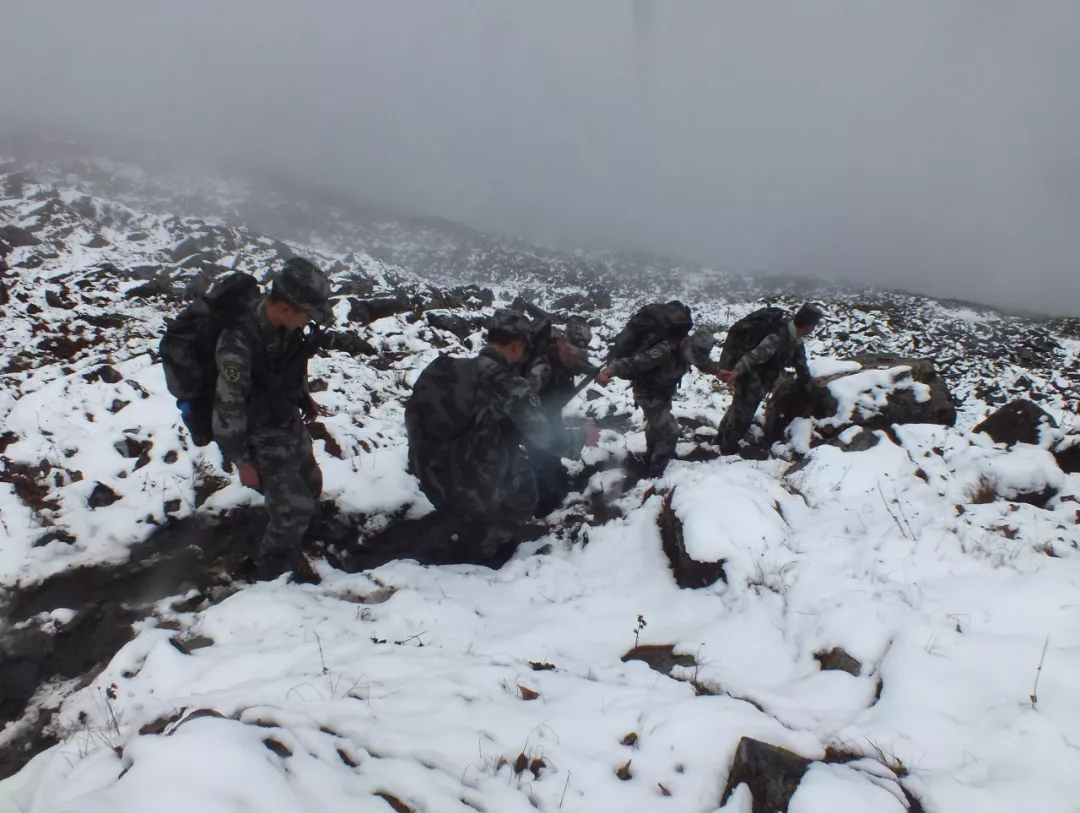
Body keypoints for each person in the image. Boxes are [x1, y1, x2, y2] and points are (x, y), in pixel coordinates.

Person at [406, 309, 600, 559]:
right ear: (517, 344)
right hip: (466, 488)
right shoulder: (512, 387)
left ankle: (463, 517)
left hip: (429, 476)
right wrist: (582, 437)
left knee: (498, 452)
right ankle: (484, 547)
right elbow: (545, 439)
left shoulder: (447, 368)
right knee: (525, 484)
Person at [213, 257, 333, 583]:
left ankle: (301, 532)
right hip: (257, 433)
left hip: (284, 419)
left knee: (311, 484)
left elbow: (288, 366)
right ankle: (269, 565)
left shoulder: (286, 328)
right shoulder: (237, 344)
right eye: (307, 315)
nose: (309, 322)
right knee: (293, 508)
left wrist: (303, 396)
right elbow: (228, 408)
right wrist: (242, 461)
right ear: (285, 310)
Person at [595, 304, 718, 476]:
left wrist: (720, 371)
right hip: (647, 393)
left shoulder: (693, 351)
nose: (695, 359)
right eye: (695, 354)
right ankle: (656, 472)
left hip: (664, 392)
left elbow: (704, 363)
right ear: (688, 343)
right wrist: (609, 371)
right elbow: (635, 363)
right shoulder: (663, 350)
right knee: (671, 431)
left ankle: (651, 456)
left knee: (656, 427)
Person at [715, 303, 824, 457]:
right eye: (813, 325)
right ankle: (727, 450)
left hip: (761, 382)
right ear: (807, 326)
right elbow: (753, 356)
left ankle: (720, 440)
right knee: (742, 416)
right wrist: (736, 372)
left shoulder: (795, 339)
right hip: (751, 380)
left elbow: (800, 363)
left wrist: (809, 380)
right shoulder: (777, 338)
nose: (813, 329)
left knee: (738, 410)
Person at [523, 317, 596, 515]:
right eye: (571, 353)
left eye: (579, 354)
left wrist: (596, 372)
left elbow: (579, 363)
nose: (574, 359)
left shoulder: (571, 358)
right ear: (561, 342)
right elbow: (525, 409)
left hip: (549, 413)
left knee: (554, 466)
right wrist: (579, 436)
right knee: (542, 466)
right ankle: (538, 509)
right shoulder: (541, 369)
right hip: (530, 421)